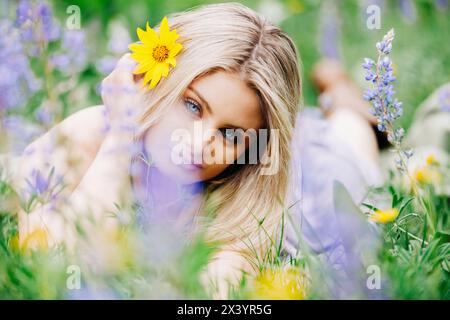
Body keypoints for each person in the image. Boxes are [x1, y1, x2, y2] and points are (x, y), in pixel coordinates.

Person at [4, 2, 421, 298]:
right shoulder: (83, 135)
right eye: (191, 105)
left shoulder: (246, 211)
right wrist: (119, 135)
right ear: (156, 79)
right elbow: (47, 262)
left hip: (314, 177)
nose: (198, 142)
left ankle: (342, 95)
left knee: (350, 142)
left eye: (231, 134)